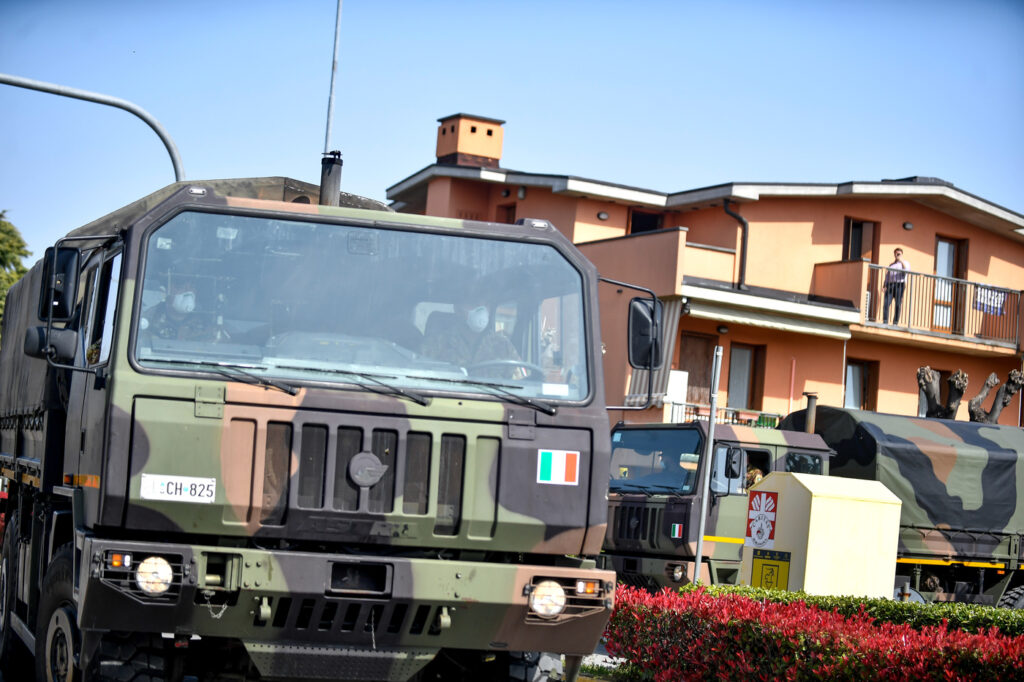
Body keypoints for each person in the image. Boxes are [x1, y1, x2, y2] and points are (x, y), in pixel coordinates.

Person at [420, 296, 523, 378]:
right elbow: (419, 379)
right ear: (458, 309)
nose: (481, 310)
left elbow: (523, 385)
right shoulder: (435, 344)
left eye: (486, 304)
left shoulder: (504, 346)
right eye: (474, 304)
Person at [140, 277, 217, 343]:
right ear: (168, 290)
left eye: (192, 287)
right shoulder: (148, 319)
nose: (188, 292)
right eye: (181, 287)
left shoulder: (205, 324)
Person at [882, 248, 911, 325]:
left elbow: (906, 271)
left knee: (898, 304)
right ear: (894, 254)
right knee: (886, 303)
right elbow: (887, 276)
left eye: (899, 254)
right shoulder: (891, 265)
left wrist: (901, 261)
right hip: (890, 285)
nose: (897, 255)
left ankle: (895, 322)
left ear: (902, 254)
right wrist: (884, 285)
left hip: (900, 285)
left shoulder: (905, 263)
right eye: (896, 253)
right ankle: (885, 321)